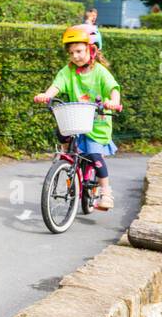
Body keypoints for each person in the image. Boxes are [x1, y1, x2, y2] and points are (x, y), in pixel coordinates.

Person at [32, 23, 122, 211]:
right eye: (71, 52)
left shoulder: (100, 72)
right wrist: (47, 95)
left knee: (95, 156)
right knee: (61, 132)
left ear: (92, 49)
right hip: (77, 119)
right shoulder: (68, 71)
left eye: (79, 51)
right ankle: (67, 161)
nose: (75, 56)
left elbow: (113, 88)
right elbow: (57, 84)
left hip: (97, 123)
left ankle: (106, 192)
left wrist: (113, 101)